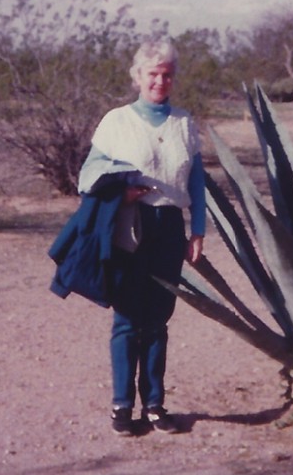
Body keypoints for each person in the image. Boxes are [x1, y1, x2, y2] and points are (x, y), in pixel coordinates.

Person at [75, 38, 205, 436]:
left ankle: (154, 405)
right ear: (138, 76)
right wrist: (122, 193)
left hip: (169, 227)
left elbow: (197, 182)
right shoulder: (117, 121)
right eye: (153, 74)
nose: (160, 81)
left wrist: (198, 230)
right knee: (128, 319)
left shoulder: (184, 123)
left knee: (159, 320)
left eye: (167, 75)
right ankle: (121, 406)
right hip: (129, 227)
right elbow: (87, 176)